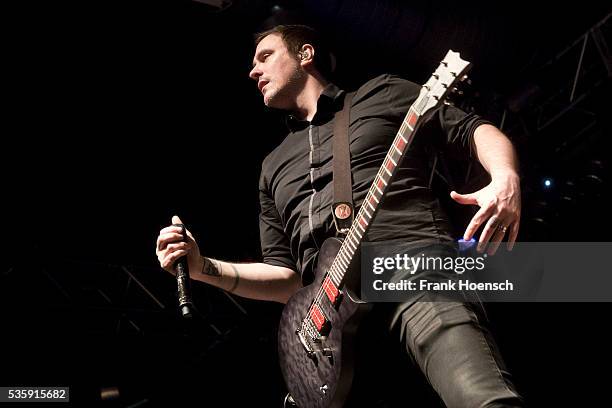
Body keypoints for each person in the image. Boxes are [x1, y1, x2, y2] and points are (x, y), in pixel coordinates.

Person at [156, 25, 523, 407]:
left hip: (412, 269)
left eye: (265, 57)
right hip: (333, 329)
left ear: (306, 55)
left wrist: (505, 177)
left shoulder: (382, 94)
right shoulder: (272, 167)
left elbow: (471, 130)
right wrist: (202, 267)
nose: (253, 71)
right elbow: (286, 277)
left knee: (482, 400)